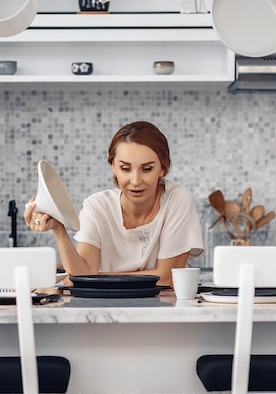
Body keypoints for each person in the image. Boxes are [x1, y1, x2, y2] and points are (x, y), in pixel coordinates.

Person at [24, 121, 204, 286]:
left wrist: (98, 277)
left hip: (166, 309)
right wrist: (58, 229)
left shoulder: (177, 198)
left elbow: (167, 278)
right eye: (125, 169)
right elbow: (82, 276)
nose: (135, 180)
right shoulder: (97, 207)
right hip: (107, 309)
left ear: (162, 169)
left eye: (147, 169)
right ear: (113, 166)